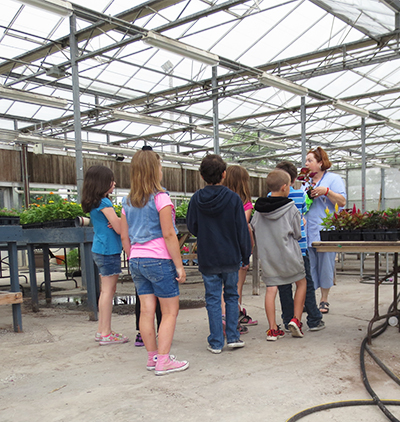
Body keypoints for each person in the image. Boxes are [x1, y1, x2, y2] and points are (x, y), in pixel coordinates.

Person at [120, 147, 189, 376]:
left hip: (137, 259)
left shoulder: (127, 201)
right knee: (169, 311)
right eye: (159, 166)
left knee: (146, 311)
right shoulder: (162, 198)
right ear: (154, 170)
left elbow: (124, 234)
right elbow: (169, 235)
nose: (161, 170)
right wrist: (179, 265)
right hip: (159, 260)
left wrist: (132, 257)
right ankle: (164, 360)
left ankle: (152, 357)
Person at [187, 154, 252, 354]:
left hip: (208, 257)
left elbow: (192, 226)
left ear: (202, 176)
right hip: (230, 257)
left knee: (213, 298)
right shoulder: (233, 198)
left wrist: (205, 233)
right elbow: (242, 229)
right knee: (232, 295)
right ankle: (233, 336)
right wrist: (245, 254)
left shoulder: (197, 198)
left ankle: (216, 341)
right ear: (224, 174)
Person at [250, 169, 307, 341]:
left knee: (270, 289)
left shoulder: (258, 210)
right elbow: (298, 234)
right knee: (302, 283)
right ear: (284, 187)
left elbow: (254, 227)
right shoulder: (291, 208)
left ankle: (273, 329)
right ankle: (296, 319)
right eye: (290, 185)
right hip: (290, 255)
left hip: (268, 257)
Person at [81, 165, 128, 346]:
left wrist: (116, 222)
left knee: (105, 291)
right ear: (102, 183)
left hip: (100, 248)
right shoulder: (105, 203)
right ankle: (106, 333)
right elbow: (118, 227)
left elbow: (114, 224)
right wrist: (124, 218)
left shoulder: (94, 202)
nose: (114, 183)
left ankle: (102, 331)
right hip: (108, 250)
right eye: (111, 180)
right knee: (108, 291)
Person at [275, 161, 325, 332]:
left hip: (280, 248)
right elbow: (303, 213)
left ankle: (287, 319)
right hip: (300, 247)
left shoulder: (269, 197)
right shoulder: (300, 196)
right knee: (306, 283)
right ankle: (314, 319)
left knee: (284, 284)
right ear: (295, 178)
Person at [305, 147, 346, 314]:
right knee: (310, 265)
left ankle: (324, 299)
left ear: (320, 163)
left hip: (325, 228)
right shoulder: (306, 182)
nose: (306, 164)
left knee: (326, 265)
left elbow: (342, 201)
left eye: (310, 161)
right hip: (308, 228)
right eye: (306, 161)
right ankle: (310, 300)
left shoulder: (333, 179)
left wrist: (326, 192)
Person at [222, 165, 257, 329]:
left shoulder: (220, 200)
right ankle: (233, 319)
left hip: (220, 248)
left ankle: (224, 318)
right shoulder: (245, 204)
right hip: (237, 250)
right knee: (237, 287)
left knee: (223, 287)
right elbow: (242, 226)